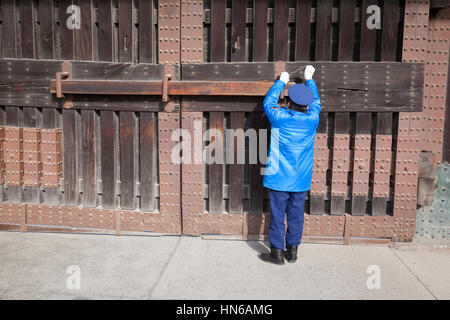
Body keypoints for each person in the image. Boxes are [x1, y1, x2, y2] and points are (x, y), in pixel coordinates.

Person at [259, 65, 321, 265]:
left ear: (290, 101)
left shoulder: (279, 118)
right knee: (296, 215)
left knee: (277, 215)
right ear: (306, 104)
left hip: (279, 178)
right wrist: (309, 80)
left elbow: (268, 102)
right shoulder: (312, 119)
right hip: (301, 179)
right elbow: (317, 103)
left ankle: (276, 253)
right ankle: (293, 252)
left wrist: (281, 82)